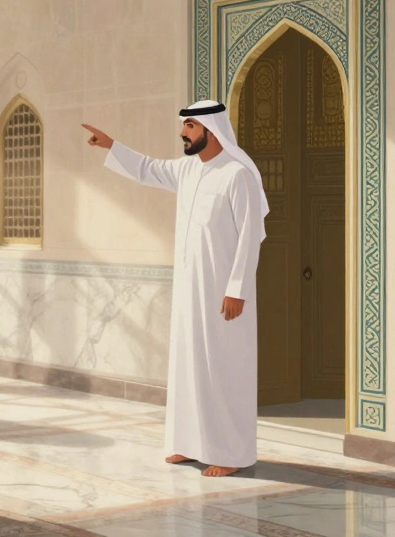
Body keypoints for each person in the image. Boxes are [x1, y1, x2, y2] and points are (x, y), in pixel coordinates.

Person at [82, 99, 267, 477]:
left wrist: (237, 289)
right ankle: (188, 444)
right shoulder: (187, 170)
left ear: (210, 130)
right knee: (188, 366)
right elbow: (148, 169)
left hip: (223, 295)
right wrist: (111, 145)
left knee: (223, 369)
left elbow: (251, 237)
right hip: (189, 290)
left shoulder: (236, 175)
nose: (183, 134)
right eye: (184, 127)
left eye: (190, 128)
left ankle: (230, 452)